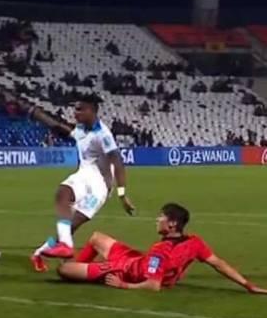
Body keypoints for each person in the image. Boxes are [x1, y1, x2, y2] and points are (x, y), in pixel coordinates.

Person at [58, 203, 267, 294]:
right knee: (96, 237)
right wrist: (247, 284)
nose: (157, 220)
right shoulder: (194, 243)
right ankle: (82, 267)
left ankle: (82, 269)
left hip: (125, 270)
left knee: (64, 270)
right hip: (138, 260)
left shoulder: (161, 251)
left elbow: (153, 285)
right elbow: (219, 264)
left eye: (161, 216)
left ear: (172, 223)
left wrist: (123, 286)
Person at [31, 95, 135, 271]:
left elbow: (117, 162)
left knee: (71, 224)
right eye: (75, 108)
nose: (75, 112)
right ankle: (59, 248)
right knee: (62, 194)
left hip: (99, 185)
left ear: (92, 111)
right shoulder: (81, 129)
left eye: (80, 109)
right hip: (84, 175)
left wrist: (122, 194)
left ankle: (42, 253)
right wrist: (41, 116)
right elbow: (65, 129)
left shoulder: (103, 135)